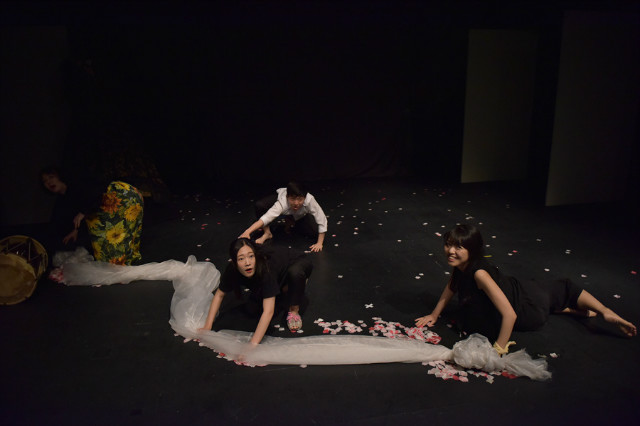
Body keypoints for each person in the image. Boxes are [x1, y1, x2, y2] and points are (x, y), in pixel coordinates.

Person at [416, 224, 636, 355]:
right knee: (557, 290)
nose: (450, 251)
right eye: (448, 244)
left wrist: (498, 350)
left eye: (458, 247)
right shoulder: (461, 266)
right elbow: (452, 286)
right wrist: (434, 314)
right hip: (519, 289)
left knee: (563, 288)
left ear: (472, 250)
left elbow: (510, 315)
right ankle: (569, 310)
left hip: (527, 308)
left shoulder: (479, 273)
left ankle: (604, 311)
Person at [199, 238, 313, 344]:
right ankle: (285, 286)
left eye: (251, 256)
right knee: (254, 306)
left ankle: (294, 308)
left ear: (255, 256)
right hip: (278, 269)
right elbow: (219, 294)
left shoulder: (266, 269)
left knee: (295, 273)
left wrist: (252, 345)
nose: (247, 263)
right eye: (241, 259)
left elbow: (268, 311)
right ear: (234, 262)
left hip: (297, 261)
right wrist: (207, 326)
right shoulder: (232, 269)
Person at [41, 167, 144, 265]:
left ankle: (123, 263)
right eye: (45, 181)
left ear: (59, 176)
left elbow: (95, 194)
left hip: (121, 197)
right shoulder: (62, 200)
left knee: (115, 244)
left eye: (51, 177)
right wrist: (76, 229)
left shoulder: (76, 184)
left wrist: (83, 213)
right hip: (111, 208)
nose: (49, 182)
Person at [239, 181, 327, 252]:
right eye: (292, 199)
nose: (296, 203)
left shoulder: (310, 200)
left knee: (315, 232)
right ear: (287, 197)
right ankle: (267, 233)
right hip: (281, 201)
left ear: (304, 197)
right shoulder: (282, 202)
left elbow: (321, 218)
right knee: (260, 205)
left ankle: (291, 218)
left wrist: (319, 243)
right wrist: (247, 232)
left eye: (300, 199)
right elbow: (266, 218)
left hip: (301, 214)